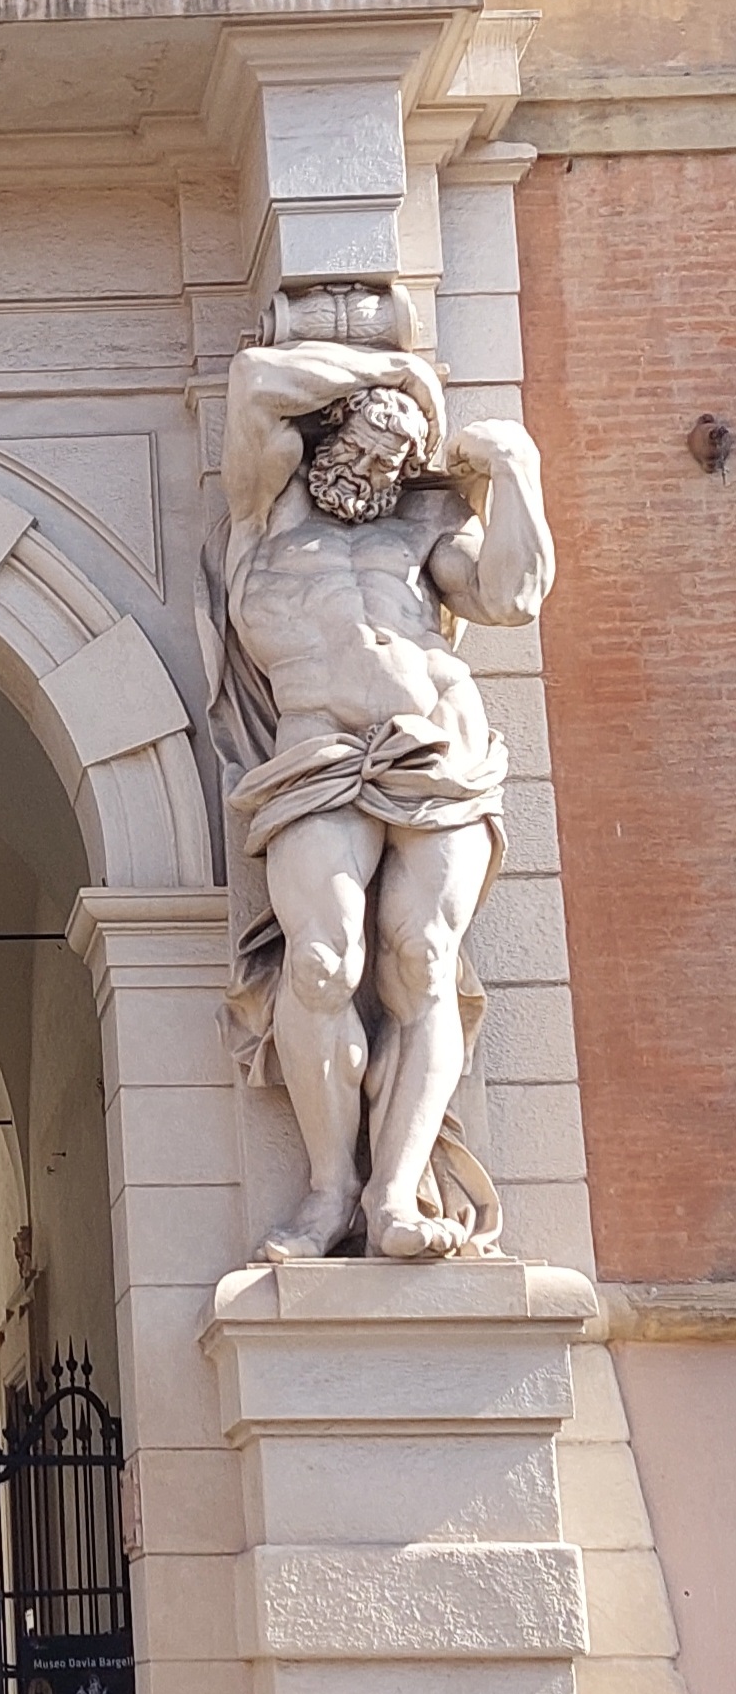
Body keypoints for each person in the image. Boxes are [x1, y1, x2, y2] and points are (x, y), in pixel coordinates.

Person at [199, 337, 553, 1261]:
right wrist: (403, 380)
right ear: (325, 435)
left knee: (422, 959)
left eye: (395, 456)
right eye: (359, 443)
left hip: (437, 749)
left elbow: (509, 600)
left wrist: (512, 469)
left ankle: (396, 1197)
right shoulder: (265, 512)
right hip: (313, 751)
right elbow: (254, 381)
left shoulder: (424, 523)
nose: (373, 467)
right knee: (320, 961)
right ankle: (329, 1191)